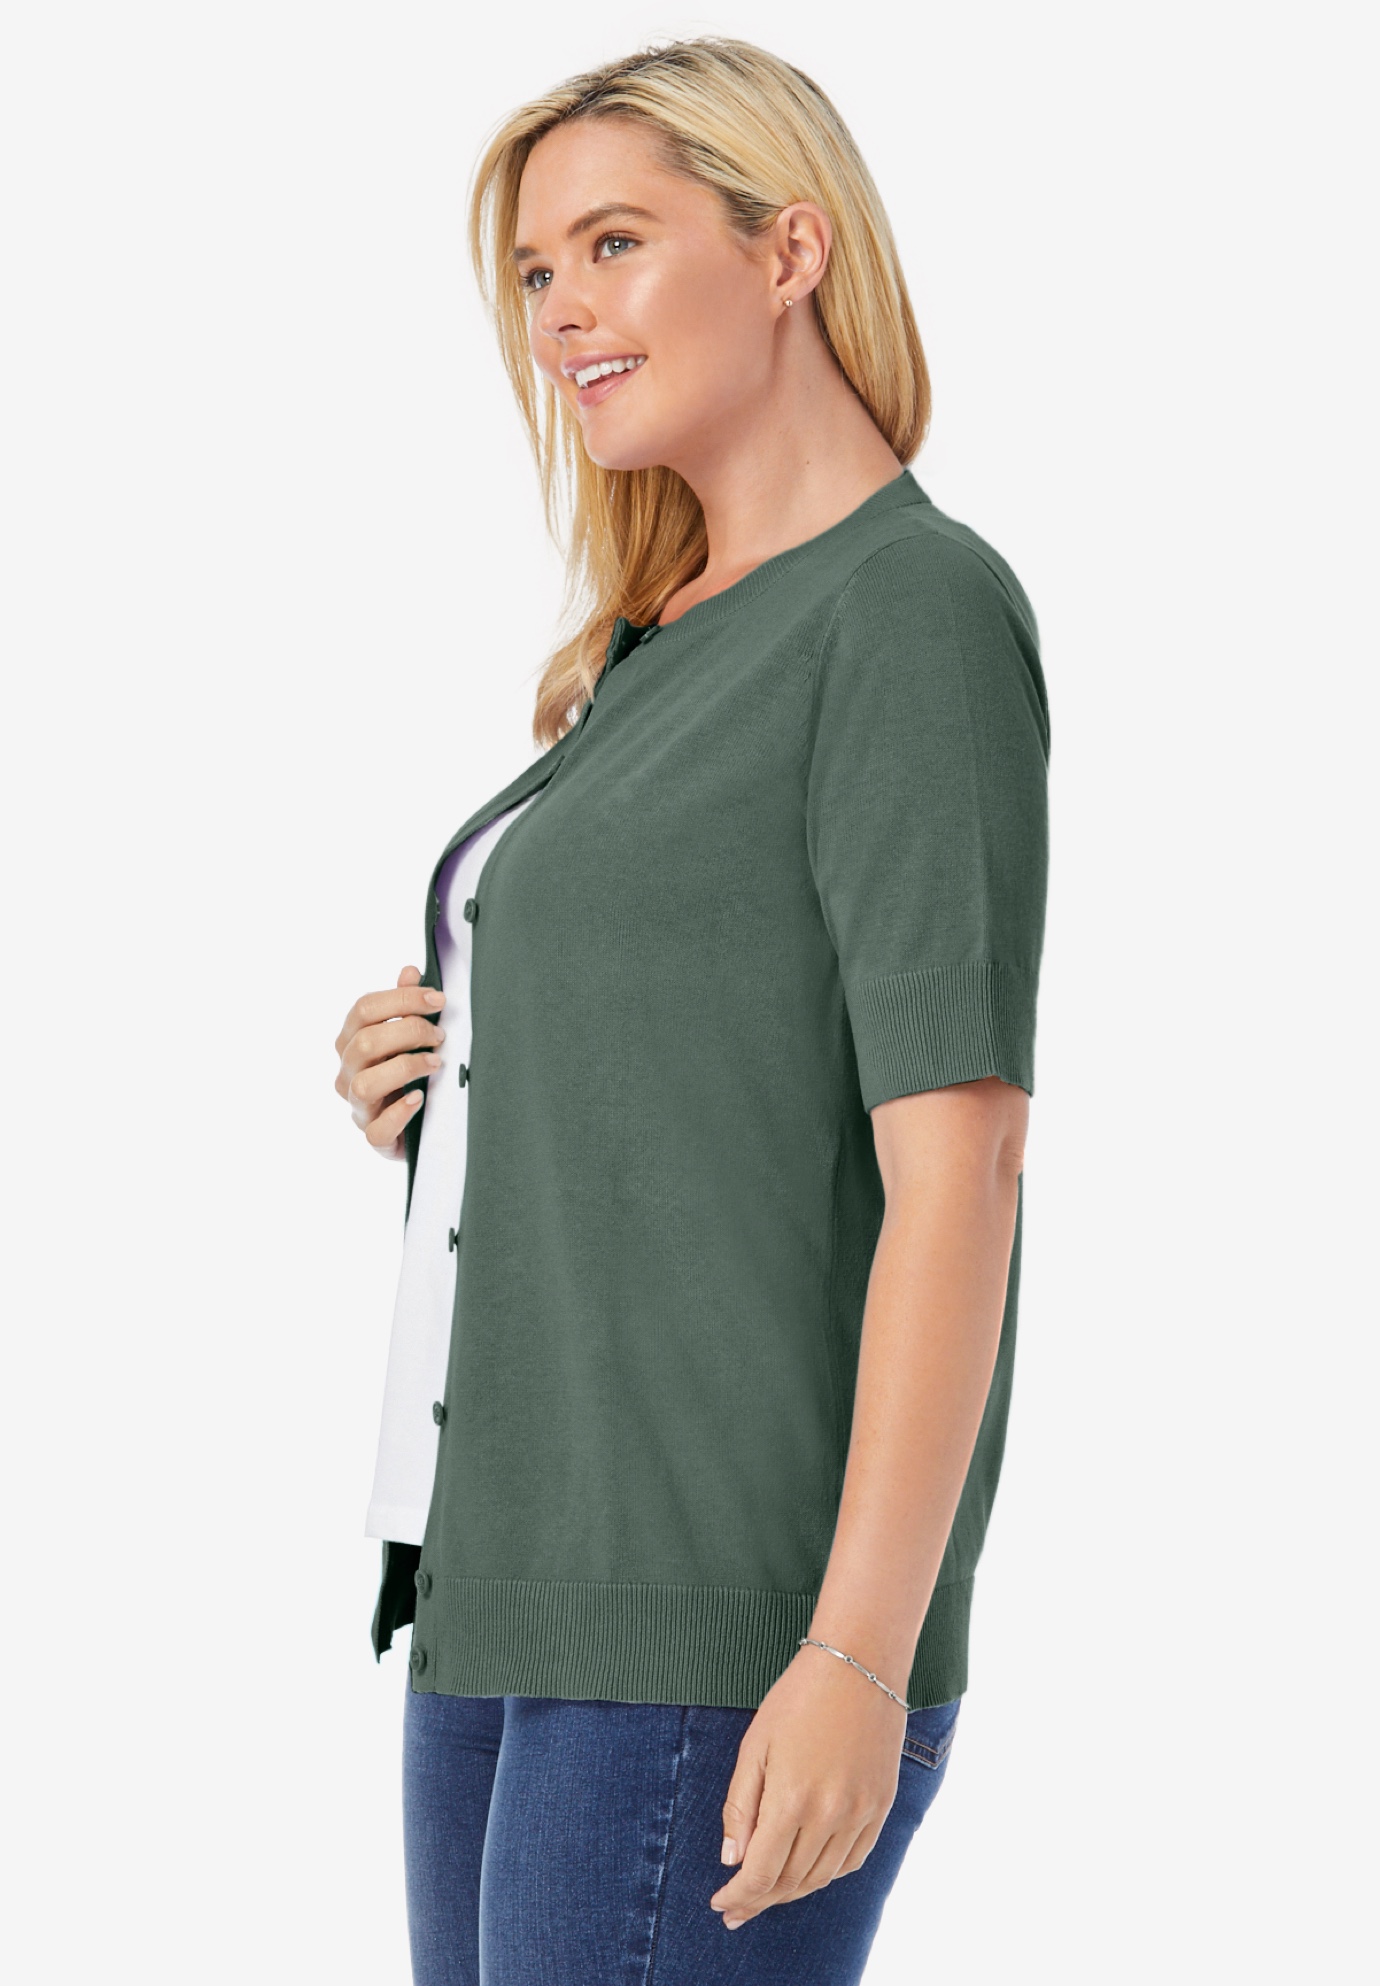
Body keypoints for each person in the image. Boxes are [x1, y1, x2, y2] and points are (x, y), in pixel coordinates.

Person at [332, 35, 1049, 1986]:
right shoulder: (657, 643)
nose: (562, 308)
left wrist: (858, 1655)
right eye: (536, 269)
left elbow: (961, 1167)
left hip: (719, 1626)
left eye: (616, 243)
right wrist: (453, 1074)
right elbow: (707, 1075)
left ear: (790, 249)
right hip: (502, 1582)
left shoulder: (904, 612)